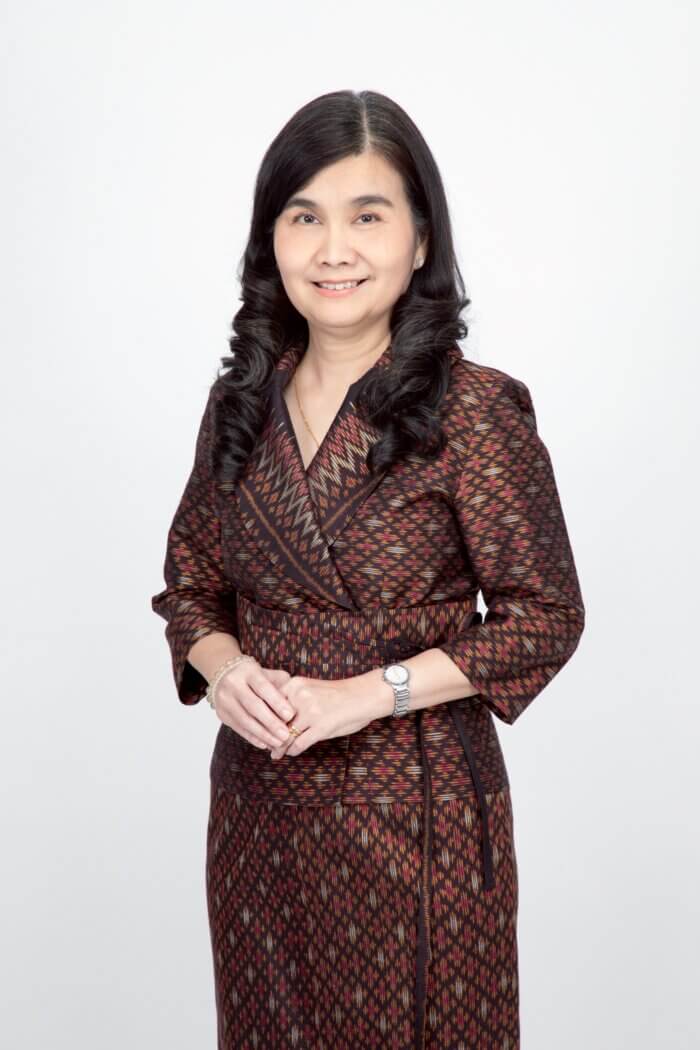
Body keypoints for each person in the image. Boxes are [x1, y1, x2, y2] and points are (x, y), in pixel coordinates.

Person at [150, 89, 585, 1050]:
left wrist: (367, 694)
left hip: (420, 821)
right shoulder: (241, 403)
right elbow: (191, 588)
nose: (333, 249)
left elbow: (544, 616)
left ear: (420, 240)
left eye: (367, 216)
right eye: (304, 217)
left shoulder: (473, 410)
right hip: (260, 815)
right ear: (271, 240)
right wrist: (226, 671)